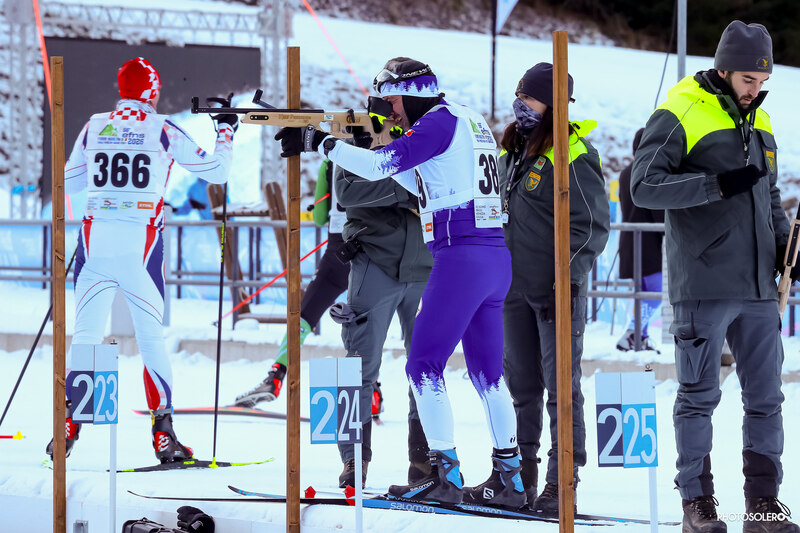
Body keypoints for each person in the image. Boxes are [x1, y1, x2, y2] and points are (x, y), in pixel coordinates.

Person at [275, 57, 525, 508]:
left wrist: (322, 143)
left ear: (413, 95)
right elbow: (411, 175)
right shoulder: (466, 118)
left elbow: (380, 166)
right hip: (492, 256)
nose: (390, 111)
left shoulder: (436, 122)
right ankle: (509, 478)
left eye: (392, 100)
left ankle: (444, 474)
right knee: (487, 375)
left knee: (422, 367)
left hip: (459, 256)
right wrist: (340, 143)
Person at [631, 22, 798, 533]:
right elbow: (644, 186)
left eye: (762, 81)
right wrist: (716, 184)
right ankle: (696, 505)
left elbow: (768, 195)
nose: (755, 90)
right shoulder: (679, 111)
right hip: (702, 283)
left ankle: (763, 505)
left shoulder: (761, 120)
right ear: (724, 69)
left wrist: (785, 250)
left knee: (766, 400)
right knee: (698, 398)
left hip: (758, 287)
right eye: (748, 79)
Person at [49, 57, 238, 463]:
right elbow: (218, 171)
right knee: (150, 339)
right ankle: (163, 433)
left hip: (95, 243)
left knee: (85, 336)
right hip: (141, 245)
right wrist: (225, 129)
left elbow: (69, 182)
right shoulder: (162, 127)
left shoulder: (95, 125)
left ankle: (68, 424)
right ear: (152, 91)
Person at [499, 63, 609, 514]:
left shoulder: (573, 153)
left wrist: (565, 279)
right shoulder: (512, 151)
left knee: (562, 389)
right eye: (519, 96)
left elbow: (591, 226)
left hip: (554, 292)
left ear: (553, 104)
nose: (520, 105)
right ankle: (519, 475)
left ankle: (561, 481)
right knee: (521, 385)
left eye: (530, 98)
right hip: (511, 290)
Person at [332, 128, 433, 488]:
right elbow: (348, 194)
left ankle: (424, 460)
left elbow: (438, 189)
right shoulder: (352, 147)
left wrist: (388, 188)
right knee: (357, 366)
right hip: (374, 263)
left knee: (426, 370)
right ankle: (352, 459)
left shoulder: (426, 138)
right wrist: (405, 190)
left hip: (425, 266)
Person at [234, 159, 351, 407]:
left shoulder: (330, 161)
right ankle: (372, 393)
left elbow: (319, 217)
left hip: (338, 251)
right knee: (368, 323)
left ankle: (276, 376)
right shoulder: (382, 152)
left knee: (303, 317)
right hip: (374, 251)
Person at [616, 127, 663, 353]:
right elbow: (657, 211)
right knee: (654, 293)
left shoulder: (626, 171)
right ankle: (632, 332)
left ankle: (639, 336)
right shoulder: (648, 171)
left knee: (641, 295)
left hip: (629, 241)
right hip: (649, 243)